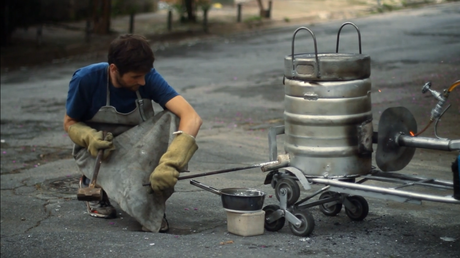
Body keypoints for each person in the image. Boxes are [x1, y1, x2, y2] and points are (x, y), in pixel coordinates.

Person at [63, 34, 202, 232]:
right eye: (136, 77)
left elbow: (192, 117)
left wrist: (171, 163)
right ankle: (92, 180)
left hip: (137, 151)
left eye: (145, 75)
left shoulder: (147, 77)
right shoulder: (86, 79)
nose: (143, 82)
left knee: (172, 117)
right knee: (104, 159)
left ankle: (150, 195)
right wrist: (89, 137)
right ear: (114, 69)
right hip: (100, 151)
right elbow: (69, 122)